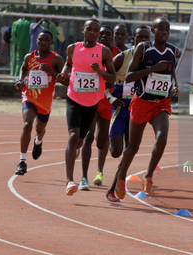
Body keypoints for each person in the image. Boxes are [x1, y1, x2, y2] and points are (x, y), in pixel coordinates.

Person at [115, 17, 179, 200]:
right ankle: (121, 177)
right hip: (142, 103)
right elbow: (129, 77)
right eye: (160, 28)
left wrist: (175, 84)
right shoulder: (143, 48)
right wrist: (152, 69)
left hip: (160, 104)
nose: (164, 32)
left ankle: (149, 175)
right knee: (133, 147)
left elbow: (171, 70)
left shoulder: (174, 51)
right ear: (153, 30)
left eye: (167, 29)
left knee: (162, 139)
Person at [56, 19, 116, 196]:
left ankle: (75, 147)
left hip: (93, 101)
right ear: (83, 30)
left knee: (80, 140)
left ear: (98, 34)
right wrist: (64, 73)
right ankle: (69, 180)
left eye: (95, 30)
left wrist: (100, 71)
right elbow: (68, 63)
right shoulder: (73, 48)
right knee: (73, 136)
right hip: (74, 97)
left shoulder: (103, 51)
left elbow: (112, 77)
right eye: (89, 29)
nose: (92, 32)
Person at [105, 25, 151, 202]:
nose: (143, 40)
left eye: (146, 37)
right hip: (119, 107)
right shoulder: (122, 57)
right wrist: (109, 96)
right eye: (139, 37)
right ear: (134, 39)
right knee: (116, 151)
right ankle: (105, 136)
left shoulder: (153, 58)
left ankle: (112, 188)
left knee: (128, 150)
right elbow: (104, 79)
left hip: (137, 110)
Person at [14, 30, 65, 175]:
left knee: (40, 129)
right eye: (40, 40)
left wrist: (50, 72)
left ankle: (38, 141)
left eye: (46, 40)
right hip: (29, 96)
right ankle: (22, 162)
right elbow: (24, 68)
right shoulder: (29, 57)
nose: (43, 43)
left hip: (45, 101)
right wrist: (20, 80)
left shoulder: (56, 59)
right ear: (36, 41)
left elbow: (66, 81)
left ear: (51, 42)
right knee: (26, 125)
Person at [79, 25, 121, 191]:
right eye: (101, 34)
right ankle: (84, 177)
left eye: (107, 35)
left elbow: (115, 78)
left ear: (112, 38)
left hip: (107, 102)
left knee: (101, 141)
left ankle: (99, 171)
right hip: (91, 98)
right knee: (89, 136)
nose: (103, 36)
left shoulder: (117, 54)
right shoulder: (91, 51)